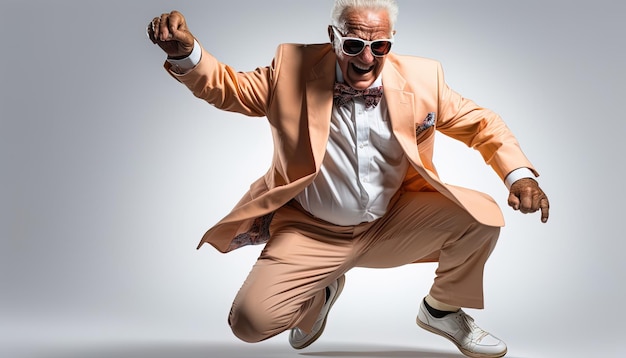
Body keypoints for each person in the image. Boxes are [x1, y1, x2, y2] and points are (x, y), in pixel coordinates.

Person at [147, 1, 549, 357]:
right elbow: (230, 89)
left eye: (380, 47)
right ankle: (319, 293)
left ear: (391, 42)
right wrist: (188, 56)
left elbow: (481, 124)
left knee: (481, 217)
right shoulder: (291, 70)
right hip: (311, 232)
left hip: (390, 224)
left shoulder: (424, 79)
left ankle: (441, 311)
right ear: (333, 37)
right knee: (249, 323)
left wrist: (517, 176)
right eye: (354, 44)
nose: (367, 57)